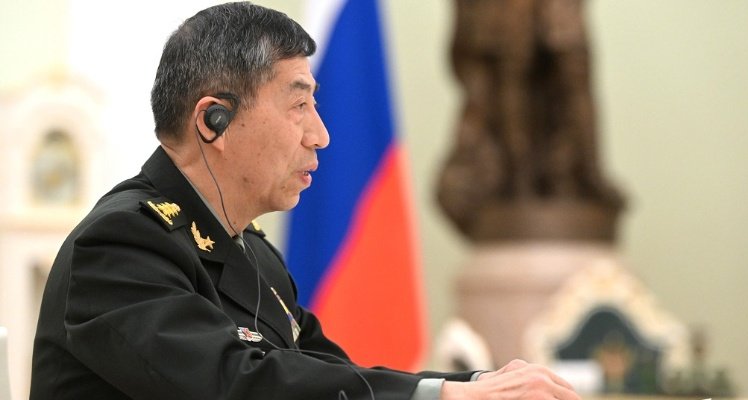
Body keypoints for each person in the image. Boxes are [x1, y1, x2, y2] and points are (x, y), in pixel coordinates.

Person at [30, 3, 581, 399]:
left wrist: (477, 386)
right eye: (299, 106)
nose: (321, 135)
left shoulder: (254, 255)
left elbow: (337, 379)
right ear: (212, 120)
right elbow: (235, 383)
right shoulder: (120, 244)